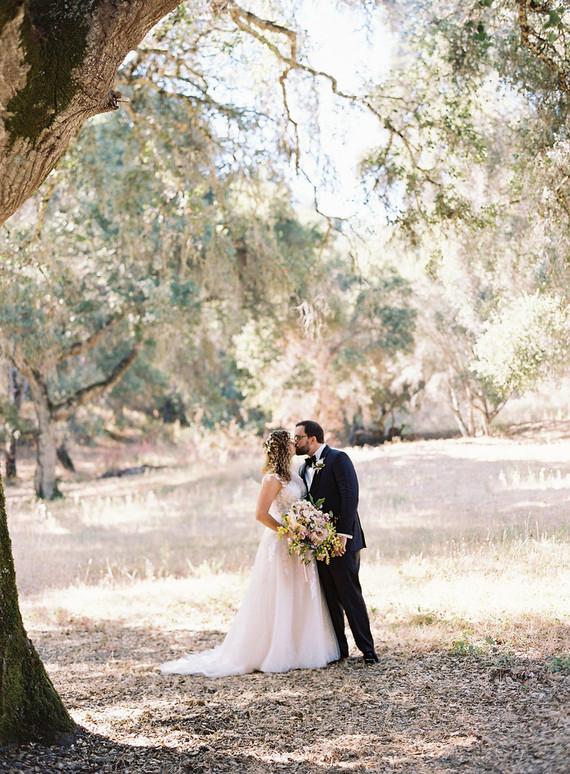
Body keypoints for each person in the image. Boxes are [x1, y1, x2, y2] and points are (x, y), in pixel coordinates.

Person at [160, 429, 340, 677]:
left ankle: (300, 648)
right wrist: (288, 531)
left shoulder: (295, 476)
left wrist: (307, 527)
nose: (293, 445)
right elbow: (261, 514)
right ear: (280, 449)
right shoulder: (272, 479)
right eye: (289, 443)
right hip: (281, 541)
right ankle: (274, 649)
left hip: (300, 543)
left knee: (299, 590)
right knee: (281, 590)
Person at [295, 420, 379, 664]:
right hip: (318, 544)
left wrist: (343, 535)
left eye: (298, 437)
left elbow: (350, 496)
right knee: (329, 598)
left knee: (350, 595)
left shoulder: (339, 459)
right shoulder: (303, 469)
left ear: (312, 439)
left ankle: (368, 651)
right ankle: (340, 651)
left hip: (343, 541)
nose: (295, 442)